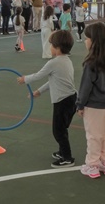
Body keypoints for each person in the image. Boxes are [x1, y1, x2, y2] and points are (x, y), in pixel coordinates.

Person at [17, 30, 77, 168]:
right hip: (70, 99)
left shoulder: (54, 63)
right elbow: (53, 81)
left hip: (63, 101)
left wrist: (24, 79)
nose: (50, 48)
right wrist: (39, 91)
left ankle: (67, 157)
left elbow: (38, 75)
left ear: (58, 48)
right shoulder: (66, 61)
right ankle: (63, 152)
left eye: (51, 45)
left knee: (58, 130)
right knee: (61, 129)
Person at [76, 22, 105, 179]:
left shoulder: (90, 63)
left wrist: (80, 104)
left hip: (93, 106)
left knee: (94, 135)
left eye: (87, 38)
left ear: (93, 41)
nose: (85, 41)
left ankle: (92, 165)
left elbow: (85, 87)